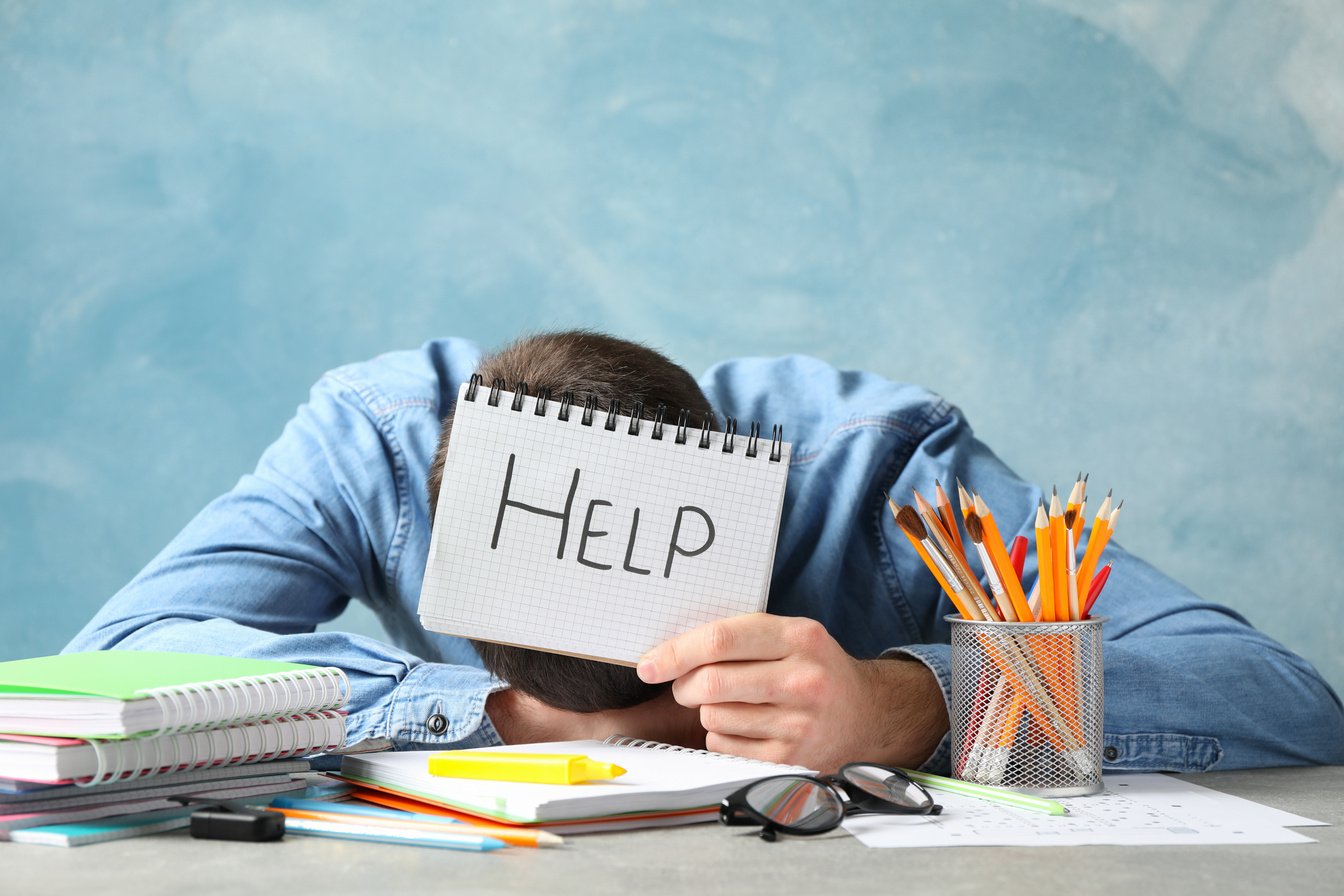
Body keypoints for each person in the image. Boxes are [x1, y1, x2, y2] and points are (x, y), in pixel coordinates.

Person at [65, 331, 1344, 774]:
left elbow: (1286, 697)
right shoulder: (380, 440)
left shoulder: (869, 464)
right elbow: (108, 661)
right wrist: (498, 716)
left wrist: (904, 702)